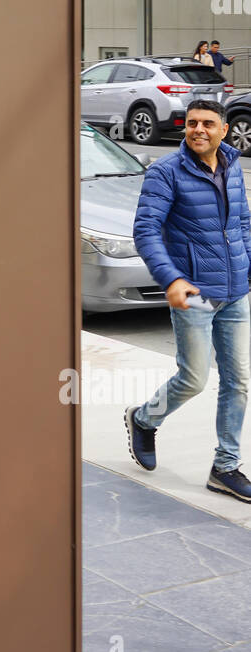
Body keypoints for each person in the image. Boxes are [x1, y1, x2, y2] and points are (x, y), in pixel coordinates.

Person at [129, 99, 251, 501]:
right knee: (194, 379)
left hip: (236, 292)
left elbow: (242, 222)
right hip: (194, 292)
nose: (198, 129)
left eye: (208, 124)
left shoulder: (233, 165)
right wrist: (172, 279)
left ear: (223, 130)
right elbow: (146, 230)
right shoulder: (166, 171)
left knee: (238, 382)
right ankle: (145, 419)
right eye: (192, 123)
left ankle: (225, 466)